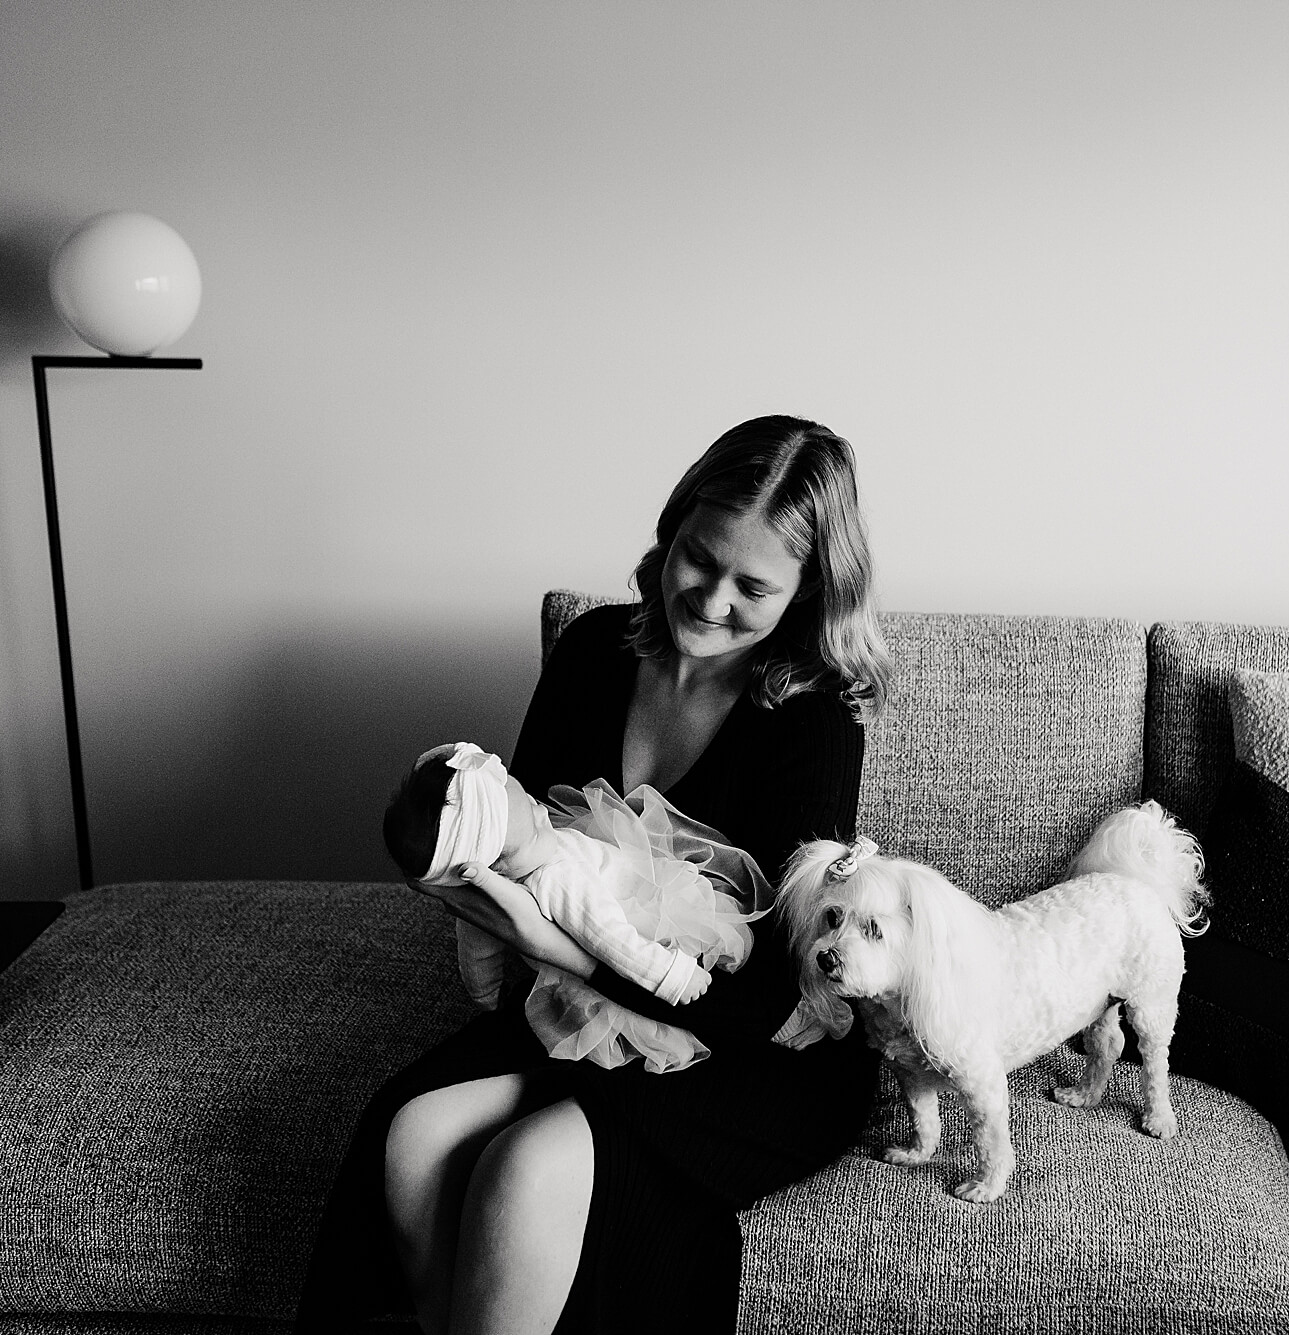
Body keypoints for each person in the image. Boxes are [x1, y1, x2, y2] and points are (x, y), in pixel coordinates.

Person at [296, 415, 894, 1335]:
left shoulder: (811, 718)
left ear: (809, 592)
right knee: (412, 1139)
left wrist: (550, 943)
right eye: (698, 557)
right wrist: (461, 869)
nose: (711, 598)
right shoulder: (592, 652)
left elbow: (777, 988)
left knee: (527, 1168)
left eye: (754, 586)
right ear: (672, 527)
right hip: (578, 1008)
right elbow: (523, 837)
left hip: (757, 1046)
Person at [384, 742, 770, 1073]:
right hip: (645, 940)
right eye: (534, 829)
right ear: (492, 868)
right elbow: (608, 937)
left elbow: (476, 950)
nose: (542, 815)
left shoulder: (493, 895)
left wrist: (485, 996)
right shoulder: (556, 878)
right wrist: (668, 975)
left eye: (532, 803)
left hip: (627, 905)